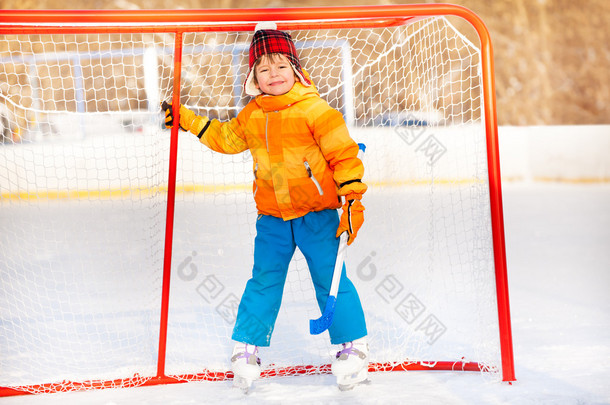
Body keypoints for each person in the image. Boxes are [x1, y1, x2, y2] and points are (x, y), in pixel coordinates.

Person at [163, 22, 369, 390]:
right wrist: (188, 121)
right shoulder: (253, 114)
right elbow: (227, 138)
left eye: (280, 66)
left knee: (330, 278)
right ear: (254, 77)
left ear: (296, 69)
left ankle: (352, 346)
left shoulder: (316, 110)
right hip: (272, 220)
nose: (273, 74)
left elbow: (343, 155)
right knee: (264, 282)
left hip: (317, 215)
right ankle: (247, 348)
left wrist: (352, 199)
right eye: (263, 68)